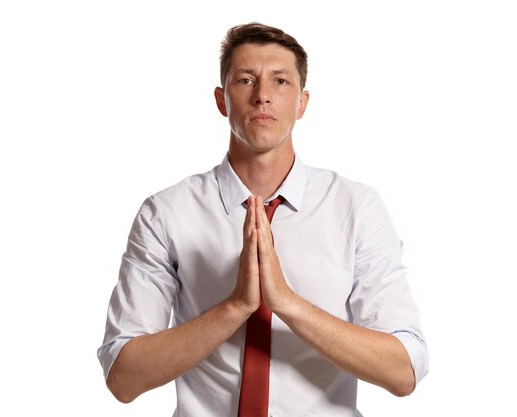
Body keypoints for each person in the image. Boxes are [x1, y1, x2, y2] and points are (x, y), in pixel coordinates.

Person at [98, 22, 428, 417]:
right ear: (222, 100)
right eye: (245, 80)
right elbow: (123, 377)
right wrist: (235, 307)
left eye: (281, 81)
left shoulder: (355, 207)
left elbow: (404, 370)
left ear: (302, 103)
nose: (263, 96)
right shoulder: (166, 213)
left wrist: (288, 304)